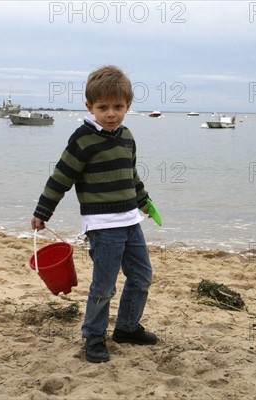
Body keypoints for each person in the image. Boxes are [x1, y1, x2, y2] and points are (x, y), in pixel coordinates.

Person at [31, 65, 158, 363]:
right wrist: (42, 211)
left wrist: (144, 201)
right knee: (104, 286)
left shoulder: (126, 136)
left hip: (130, 221)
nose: (111, 114)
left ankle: (126, 327)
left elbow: (131, 175)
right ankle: (94, 336)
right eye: (103, 107)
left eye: (118, 107)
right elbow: (61, 178)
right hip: (102, 227)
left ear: (128, 106)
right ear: (90, 106)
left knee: (141, 277)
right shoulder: (82, 140)